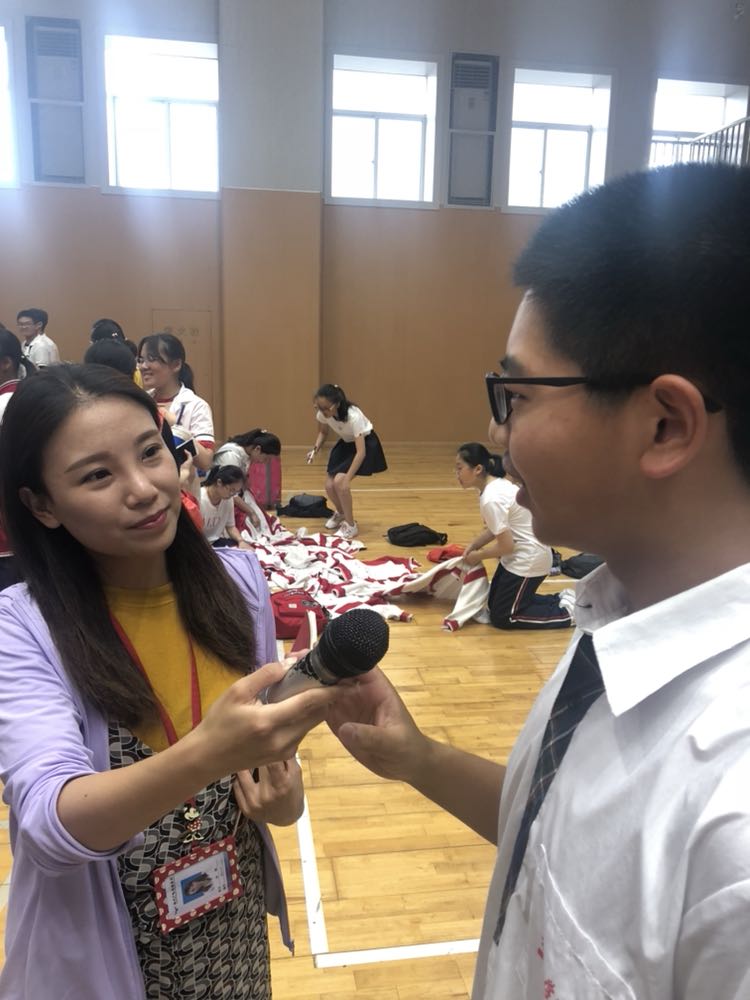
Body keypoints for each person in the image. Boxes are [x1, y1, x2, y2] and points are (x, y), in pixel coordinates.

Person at [327, 163, 750, 999]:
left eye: (515, 395)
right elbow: (563, 847)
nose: (497, 432)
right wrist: (421, 759)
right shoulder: (615, 616)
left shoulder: (733, 833)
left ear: (665, 425)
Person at [0, 364, 337, 999]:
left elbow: (267, 777)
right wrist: (210, 752)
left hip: (229, 939)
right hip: (104, 959)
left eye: (150, 453)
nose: (143, 489)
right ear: (41, 504)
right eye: (97, 475)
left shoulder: (238, 583)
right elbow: (49, 823)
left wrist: (283, 797)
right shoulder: (20, 628)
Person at [455, 442, 573, 629]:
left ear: (477, 469)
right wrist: (474, 545)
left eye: (459, 468)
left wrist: (478, 556)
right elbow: (496, 529)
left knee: (504, 618)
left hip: (529, 559)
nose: (457, 474)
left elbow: (506, 546)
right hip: (518, 555)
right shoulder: (494, 487)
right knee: (494, 605)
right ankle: (561, 599)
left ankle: (569, 614)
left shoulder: (492, 498)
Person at [306, 383, 387, 539]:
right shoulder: (323, 414)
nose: (322, 412)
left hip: (365, 445)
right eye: (318, 408)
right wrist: (315, 449)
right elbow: (323, 432)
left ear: (336, 404)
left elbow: (361, 452)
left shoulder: (353, 416)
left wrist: (347, 479)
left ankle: (351, 526)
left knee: (340, 482)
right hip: (346, 444)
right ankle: (341, 513)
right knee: (329, 485)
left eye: (325, 408)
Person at [137, 333, 215, 470]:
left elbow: (206, 462)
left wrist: (175, 427)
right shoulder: (140, 401)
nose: (143, 366)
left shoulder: (196, 405)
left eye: (151, 359)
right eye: (141, 360)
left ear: (176, 365)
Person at [0, 325, 36, 590]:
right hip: (33, 530)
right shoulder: (31, 395)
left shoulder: (6, 404)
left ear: (5, 363)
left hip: (7, 534)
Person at [215, 429, 282, 535]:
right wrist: (251, 512)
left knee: (260, 518)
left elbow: (243, 485)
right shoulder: (231, 456)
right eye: (266, 458)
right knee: (250, 523)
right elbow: (230, 492)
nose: (265, 462)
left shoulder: (246, 455)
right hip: (222, 497)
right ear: (257, 449)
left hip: (233, 494)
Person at [199, 465, 253, 549]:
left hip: (215, 542)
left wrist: (241, 541)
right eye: (231, 490)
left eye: (236, 492)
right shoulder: (200, 498)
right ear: (219, 482)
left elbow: (230, 527)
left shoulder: (228, 499)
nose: (232, 494)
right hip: (199, 544)